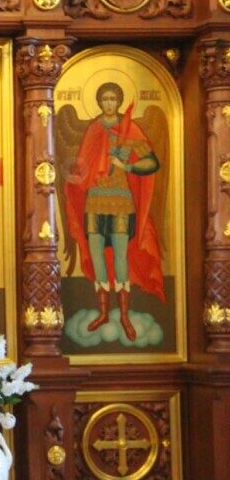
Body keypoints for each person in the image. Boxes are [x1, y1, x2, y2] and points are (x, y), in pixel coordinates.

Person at [63, 83, 162, 341]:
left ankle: (125, 315)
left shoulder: (130, 129)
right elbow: (84, 165)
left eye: (112, 99)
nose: (108, 103)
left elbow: (152, 162)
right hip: (95, 200)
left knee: (120, 257)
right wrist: (74, 176)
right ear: (99, 102)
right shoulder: (93, 128)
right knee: (97, 256)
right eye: (104, 99)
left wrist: (126, 166)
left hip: (120, 200)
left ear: (118, 102)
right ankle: (104, 312)